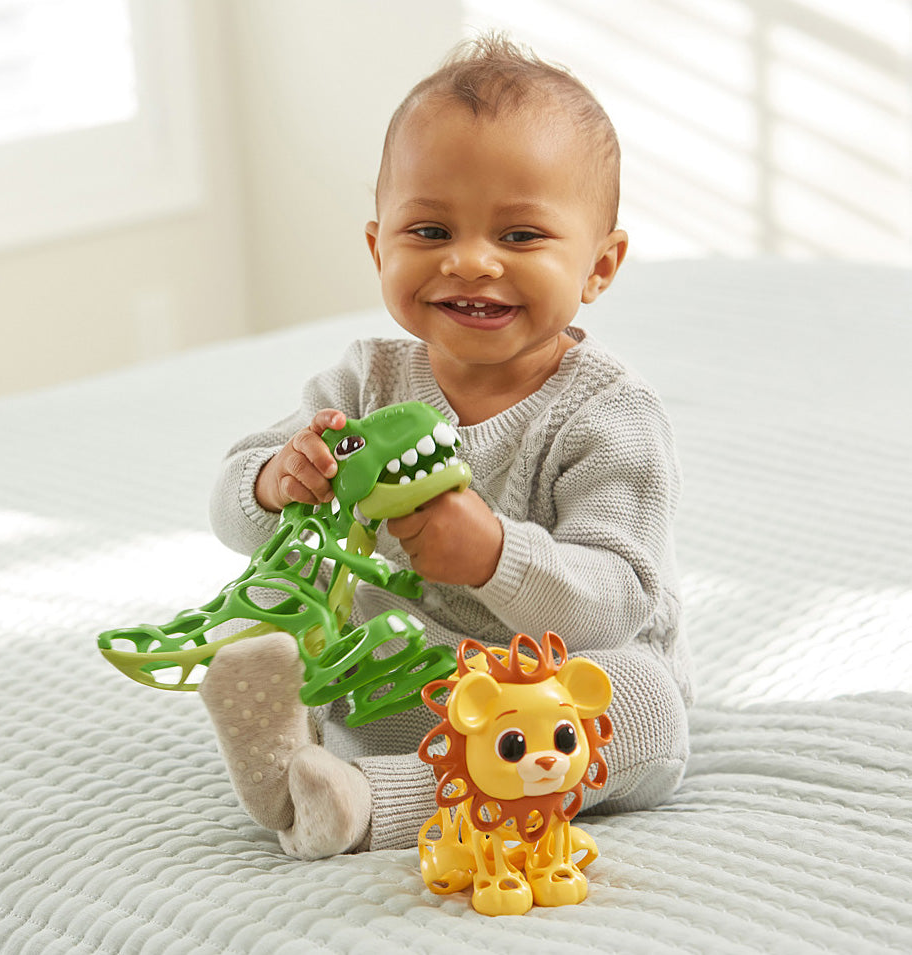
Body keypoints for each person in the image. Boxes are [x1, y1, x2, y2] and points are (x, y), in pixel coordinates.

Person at [203, 33, 693, 860]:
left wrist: (495, 556)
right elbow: (231, 512)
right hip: (415, 674)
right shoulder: (365, 380)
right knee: (317, 620)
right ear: (378, 248)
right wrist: (275, 483)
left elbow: (616, 600)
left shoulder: (607, 414)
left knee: (645, 705)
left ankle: (367, 804)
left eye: (521, 236)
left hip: (554, 689)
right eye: (429, 230)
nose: (468, 261)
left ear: (599, 266)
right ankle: (291, 749)